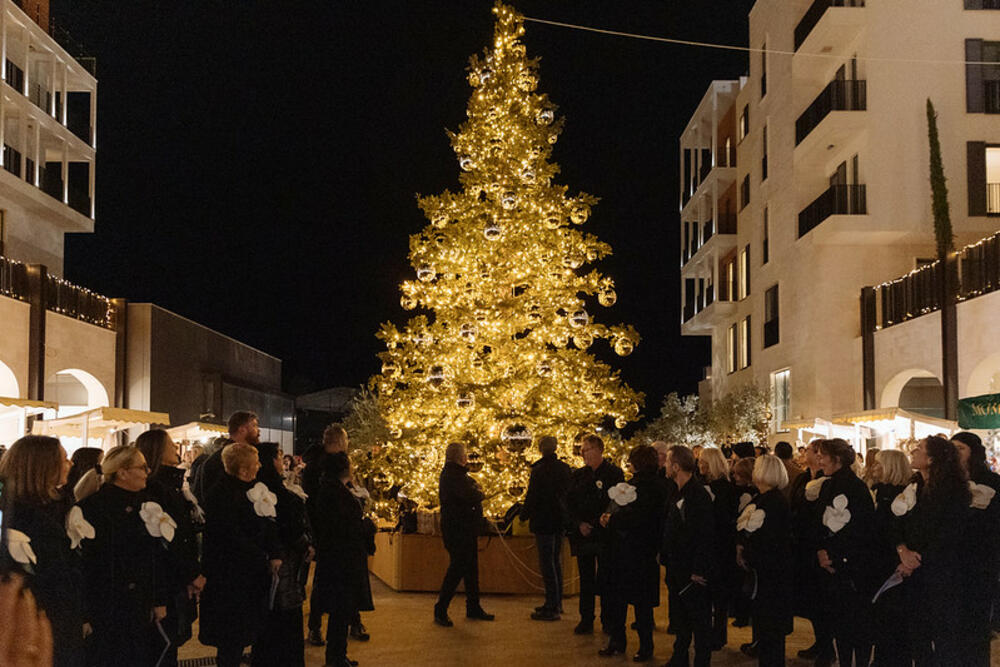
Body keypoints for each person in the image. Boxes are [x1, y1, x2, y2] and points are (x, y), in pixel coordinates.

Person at [75, 445, 172, 666]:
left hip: (139, 603)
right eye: (142, 467)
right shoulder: (91, 508)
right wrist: (85, 614)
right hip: (106, 604)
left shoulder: (148, 505)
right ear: (122, 472)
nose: (147, 472)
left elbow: (156, 556)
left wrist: (159, 599)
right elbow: (87, 563)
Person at [0, 436, 82, 667]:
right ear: (43, 465)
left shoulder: (51, 508)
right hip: (35, 626)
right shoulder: (23, 517)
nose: (70, 464)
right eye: (64, 459)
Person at [198, 442, 282, 667]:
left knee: (244, 631)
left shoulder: (252, 489)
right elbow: (229, 535)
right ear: (243, 470)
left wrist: (273, 551)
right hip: (231, 576)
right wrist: (261, 554)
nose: (260, 466)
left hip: (249, 573)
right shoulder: (222, 494)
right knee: (231, 636)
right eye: (255, 463)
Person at [891, 436, 971, 665]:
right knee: (919, 635)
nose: (914, 451)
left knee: (944, 637)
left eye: (920, 449)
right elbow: (896, 523)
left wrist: (916, 559)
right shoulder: (914, 485)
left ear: (932, 459)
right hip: (914, 572)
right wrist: (902, 550)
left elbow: (949, 534)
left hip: (941, 574)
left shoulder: (954, 491)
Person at [136, 429, 205, 666]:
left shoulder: (171, 485)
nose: (175, 448)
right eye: (170, 444)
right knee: (164, 646)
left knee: (171, 642)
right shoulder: (156, 489)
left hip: (176, 578)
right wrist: (190, 573)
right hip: (168, 581)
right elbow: (168, 540)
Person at [598, 445, 667, 661]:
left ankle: (619, 641)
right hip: (647, 551)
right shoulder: (661, 486)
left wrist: (610, 519)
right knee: (642, 604)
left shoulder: (635, 488)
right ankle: (645, 646)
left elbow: (634, 517)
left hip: (627, 550)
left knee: (619, 599)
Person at [813, 438, 875, 667]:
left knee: (856, 623)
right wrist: (821, 550)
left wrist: (838, 557)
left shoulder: (856, 488)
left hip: (853, 568)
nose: (819, 459)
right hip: (830, 564)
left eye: (823, 455)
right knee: (839, 622)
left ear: (837, 459)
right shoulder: (827, 485)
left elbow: (863, 530)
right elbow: (818, 522)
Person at [252, 442, 314, 667]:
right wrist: (304, 543)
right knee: (283, 616)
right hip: (282, 564)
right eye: (278, 457)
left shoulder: (268, 487)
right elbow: (288, 526)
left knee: (273, 618)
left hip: (279, 562)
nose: (283, 461)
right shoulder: (268, 491)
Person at [312, 452, 369, 667]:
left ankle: (338, 655)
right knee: (340, 610)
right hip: (341, 560)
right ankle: (335, 658)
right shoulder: (333, 492)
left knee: (342, 610)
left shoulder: (335, 489)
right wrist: (366, 526)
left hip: (340, 557)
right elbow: (343, 525)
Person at [661, 445, 716, 667]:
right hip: (677, 566)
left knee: (700, 621)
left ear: (676, 466)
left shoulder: (697, 494)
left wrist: (698, 569)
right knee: (681, 618)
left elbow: (705, 534)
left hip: (692, 569)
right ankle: (679, 657)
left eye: (667, 463)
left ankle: (702, 661)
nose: (664, 466)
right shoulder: (675, 491)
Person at [566, 433, 625, 634]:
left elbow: (617, 501)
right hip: (584, 534)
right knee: (586, 579)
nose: (584, 454)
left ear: (599, 450)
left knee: (607, 578)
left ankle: (608, 619)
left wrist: (602, 521)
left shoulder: (614, 474)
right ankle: (586, 618)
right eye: (582, 451)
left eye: (588, 450)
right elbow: (569, 503)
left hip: (605, 534)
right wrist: (579, 524)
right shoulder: (578, 476)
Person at [737, 455, 792, 667]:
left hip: (771, 575)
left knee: (772, 628)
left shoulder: (774, 502)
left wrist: (748, 551)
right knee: (766, 626)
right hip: (764, 572)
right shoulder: (763, 498)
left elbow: (771, 540)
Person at [951, 431, 999, 665]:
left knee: (976, 624)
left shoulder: (990, 482)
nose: (956, 452)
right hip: (952, 562)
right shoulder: (948, 480)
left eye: (961, 448)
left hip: (980, 561)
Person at [433, 442, 493, 626]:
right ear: (461, 457)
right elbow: (470, 495)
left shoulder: (455, 474)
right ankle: (441, 609)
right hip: (458, 530)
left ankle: (473, 606)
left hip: (463, 529)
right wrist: (480, 493)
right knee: (457, 569)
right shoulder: (454, 476)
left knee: (470, 569)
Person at [305, 423, 349, 646]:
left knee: (331, 582)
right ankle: (315, 626)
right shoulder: (323, 467)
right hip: (327, 532)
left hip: (323, 530)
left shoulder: (316, 464)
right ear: (340, 441)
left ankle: (344, 622)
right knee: (325, 582)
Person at [520, 435, 572, 621]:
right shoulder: (565, 469)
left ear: (541, 449)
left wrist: (523, 515)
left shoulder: (539, 470)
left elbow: (532, 496)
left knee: (547, 564)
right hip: (559, 521)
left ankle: (551, 605)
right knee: (555, 562)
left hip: (543, 522)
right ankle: (556, 602)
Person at [868, 449, 911, 666]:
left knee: (891, 618)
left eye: (878, 464)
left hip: (890, 564)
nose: (874, 467)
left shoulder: (897, 496)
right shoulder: (880, 492)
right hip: (879, 561)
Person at [698, 446, 737, 651]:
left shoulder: (723, 488)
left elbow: (724, 519)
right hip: (710, 546)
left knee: (719, 594)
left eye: (704, 461)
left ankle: (718, 634)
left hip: (720, 547)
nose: (700, 464)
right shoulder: (704, 484)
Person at [191, 411, 259, 504]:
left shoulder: (221, 457)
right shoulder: (222, 459)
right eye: (254, 426)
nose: (258, 431)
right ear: (242, 430)